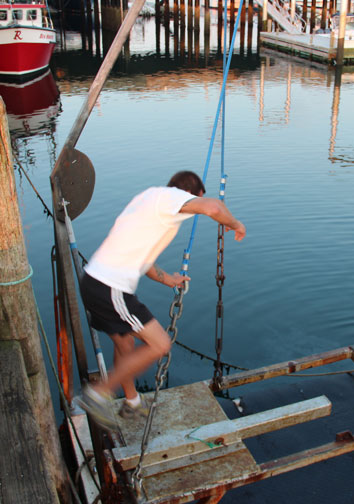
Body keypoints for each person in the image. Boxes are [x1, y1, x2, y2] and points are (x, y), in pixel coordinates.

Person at [75, 170, 246, 428]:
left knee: (125, 345)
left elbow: (145, 262)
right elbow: (213, 207)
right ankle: (97, 395)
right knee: (160, 344)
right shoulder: (173, 199)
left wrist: (169, 279)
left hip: (93, 282)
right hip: (110, 287)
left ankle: (131, 403)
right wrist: (235, 224)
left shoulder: (148, 200)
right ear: (194, 194)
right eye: (196, 201)